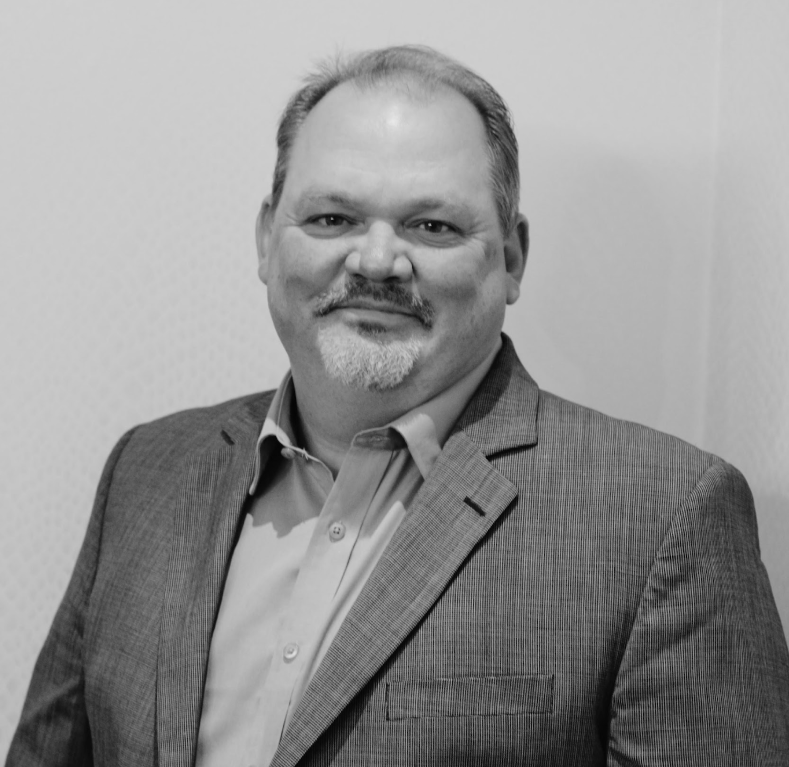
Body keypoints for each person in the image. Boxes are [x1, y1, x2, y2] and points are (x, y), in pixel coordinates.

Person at [6, 44, 789, 767]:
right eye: (331, 218)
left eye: (431, 224)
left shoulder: (663, 519)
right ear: (265, 241)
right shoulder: (147, 471)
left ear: (511, 256)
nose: (377, 259)